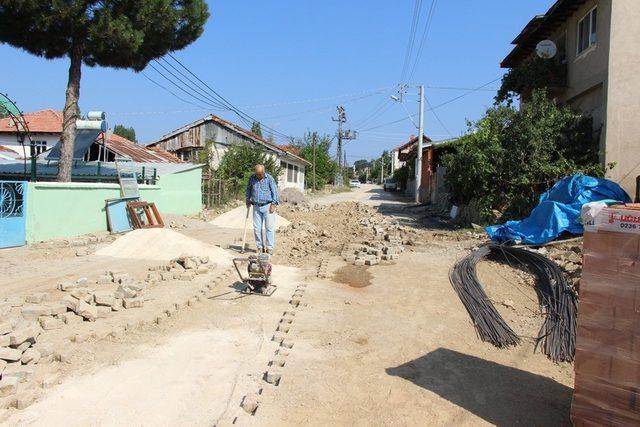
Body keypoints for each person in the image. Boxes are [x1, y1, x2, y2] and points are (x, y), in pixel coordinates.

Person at [245, 164, 280, 254]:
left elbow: (275, 191)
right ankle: (260, 247)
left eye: (260, 174)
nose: (259, 176)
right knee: (257, 229)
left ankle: (269, 248)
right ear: (255, 173)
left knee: (269, 228)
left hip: (268, 206)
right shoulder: (252, 178)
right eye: (257, 174)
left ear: (264, 172)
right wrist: (248, 199)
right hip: (256, 206)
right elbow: (248, 189)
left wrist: (274, 204)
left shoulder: (269, 178)